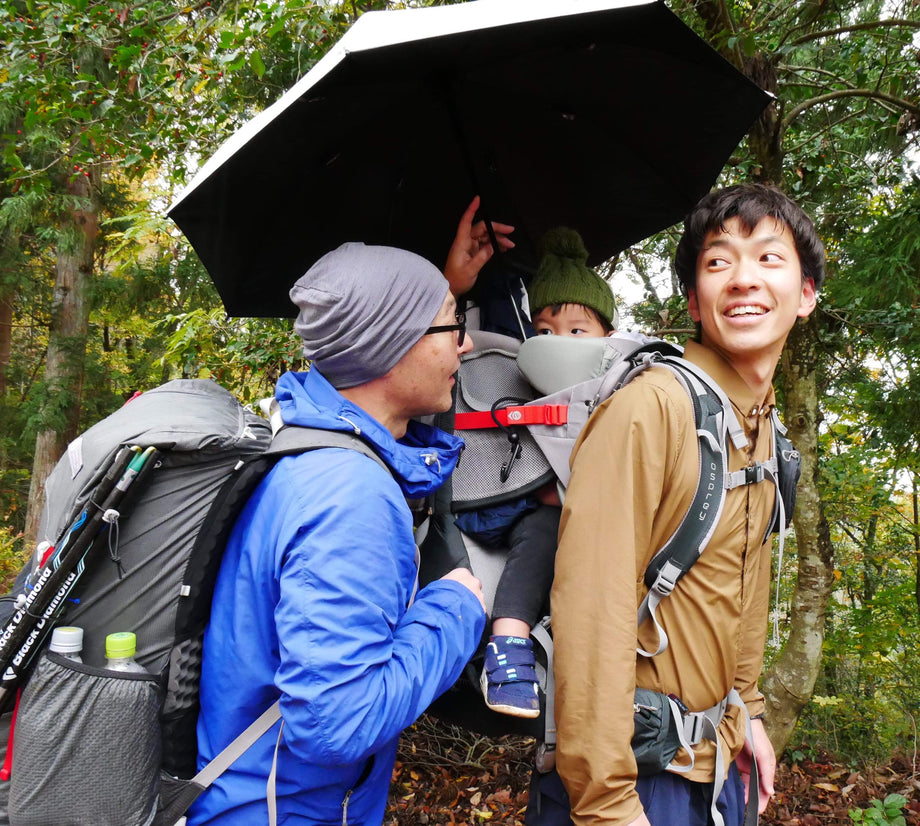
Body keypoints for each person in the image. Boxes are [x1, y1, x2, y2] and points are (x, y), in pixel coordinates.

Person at [531, 184, 825, 826]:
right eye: (718, 262)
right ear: (694, 300)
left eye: (769, 258)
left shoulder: (764, 432)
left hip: (716, 768)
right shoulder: (651, 409)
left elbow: (745, 589)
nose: (743, 279)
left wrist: (747, 713)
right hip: (633, 782)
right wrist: (608, 806)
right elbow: (591, 610)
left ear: (805, 295)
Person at [188, 243, 487, 826]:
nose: (467, 342)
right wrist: (455, 610)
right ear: (391, 342)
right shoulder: (349, 494)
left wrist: (444, 287)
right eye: (453, 325)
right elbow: (335, 726)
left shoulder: (306, 449)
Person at [460, 227, 619, 719]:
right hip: (502, 505)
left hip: (586, 536)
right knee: (548, 527)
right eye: (545, 331)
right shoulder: (512, 376)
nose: (559, 343)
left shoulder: (623, 390)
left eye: (577, 331)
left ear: (608, 338)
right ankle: (507, 647)